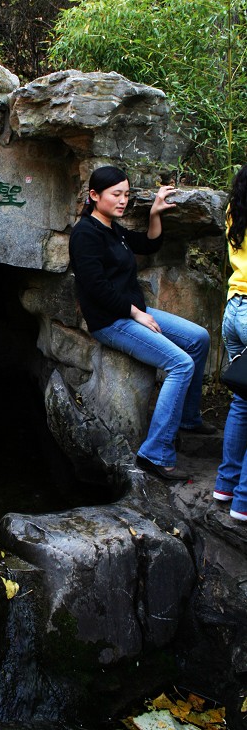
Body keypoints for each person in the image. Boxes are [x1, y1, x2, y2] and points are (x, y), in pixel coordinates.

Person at [69, 165, 214, 481]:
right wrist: (135, 313)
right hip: (111, 321)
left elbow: (148, 245)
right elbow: (96, 288)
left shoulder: (112, 228)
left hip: (132, 311)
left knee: (199, 337)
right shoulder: (85, 234)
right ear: (94, 196)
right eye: (116, 194)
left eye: (126, 194)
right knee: (181, 364)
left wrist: (156, 214)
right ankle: (155, 453)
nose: (123, 201)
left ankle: (188, 418)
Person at [214, 164, 247, 519]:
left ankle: (225, 485)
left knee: (242, 401)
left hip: (234, 310)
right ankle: (244, 500)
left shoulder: (234, 208)